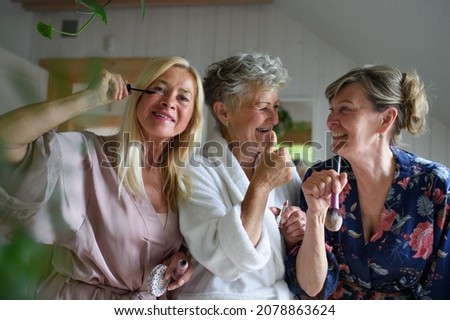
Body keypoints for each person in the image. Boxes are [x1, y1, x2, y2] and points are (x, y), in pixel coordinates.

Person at [0, 56, 204, 299]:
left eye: (183, 97)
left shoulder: (184, 182)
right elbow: (6, 139)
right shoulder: (89, 156)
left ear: (191, 118)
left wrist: (181, 259)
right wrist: (88, 98)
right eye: (158, 88)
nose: (169, 101)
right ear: (138, 97)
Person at [286, 64, 450, 299]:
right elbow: (312, 288)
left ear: (385, 119)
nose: (330, 121)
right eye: (331, 109)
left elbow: (442, 289)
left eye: (345, 109)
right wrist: (315, 214)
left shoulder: (436, 186)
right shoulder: (319, 181)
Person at [171, 52, 306, 300]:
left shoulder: (278, 167)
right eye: (263, 107)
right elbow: (225, 259)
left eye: (275, 107)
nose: (274, 119)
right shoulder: (195, 171)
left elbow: (284, 252)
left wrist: (292, 233)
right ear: (224, 112)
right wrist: (262, 184)